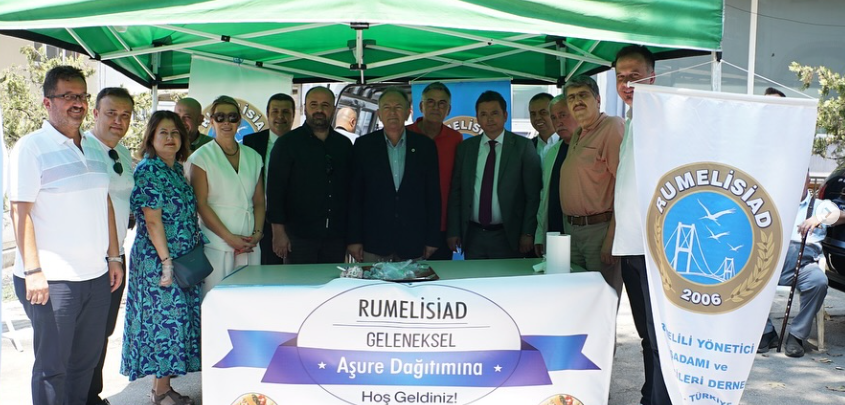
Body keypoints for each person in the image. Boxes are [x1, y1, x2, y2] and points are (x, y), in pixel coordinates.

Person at [9, 65, 123, 405]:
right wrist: (34, 271)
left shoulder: (95, 147)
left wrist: (114, 257)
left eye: (82, 96)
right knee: (52, 368)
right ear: (47, 102)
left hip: (96, 276)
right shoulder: (31, 147)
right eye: (68, 96)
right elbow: (20, 212)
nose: (78, 103)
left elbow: (104, 203)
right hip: (52, 280)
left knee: (85, 364)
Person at [121, 111, 201, 405]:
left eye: (175, 133)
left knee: (173, 323)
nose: (170, 138)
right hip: (159, 261)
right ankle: (160, 392)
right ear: (151, 138)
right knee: (164, 325)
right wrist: (166, 263)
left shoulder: (175, 169)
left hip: (180, 259)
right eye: (163, 133)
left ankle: (162, 389)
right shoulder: (149, 170)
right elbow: (152, 221)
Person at [610, 45, 666, 405]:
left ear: (652, 77)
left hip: (652, 248)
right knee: (646, 333)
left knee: (659, 335)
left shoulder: (661, 120)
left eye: (635, 76)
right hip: (630, 245)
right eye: (620, 77)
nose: (626, 84)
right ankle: (650, 395)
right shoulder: (631, 120)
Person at [82, 87, 136, 405]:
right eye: (111, 113)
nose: (118, 120)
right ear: (95, 113)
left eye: (125, 115)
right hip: (90, 256)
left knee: (102, 331)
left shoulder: (124, 153)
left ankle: (93, 394)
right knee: (84, 334)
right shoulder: (83, 147)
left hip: (117, 255)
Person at [347, 87, 441, 262]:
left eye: (398, 107)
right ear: (379, 114)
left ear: (407, 113)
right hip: (374, 240)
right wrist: (354, 239)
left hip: (413, 240)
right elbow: (355, 196)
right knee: (373, 281)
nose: (392, 112)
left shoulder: (425, 146)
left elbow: (433, 196)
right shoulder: (363, 146)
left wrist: (432, 239)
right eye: (387, 107)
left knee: (413, 281)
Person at [447, 91, 541, 259]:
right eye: (483, 114)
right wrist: (454, 230)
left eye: (494, 113)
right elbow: (456, 192)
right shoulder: (466, 148)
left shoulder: (523, 147)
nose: (489, 119)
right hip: (473, 235)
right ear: (477, 118)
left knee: (507, 277)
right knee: (474, 276)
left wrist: (528, 232)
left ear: (505, 115)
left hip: (509, 235)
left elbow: (533, 195)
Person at [266, 87, 353, 264]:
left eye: (325, 105)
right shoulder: (287, 144)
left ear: (333, 109)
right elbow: (275, 191)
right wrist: (278, 233)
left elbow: (351, 192)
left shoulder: (343, 145)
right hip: (298, 237)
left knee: (333, 281)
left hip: (336, 237)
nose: (319, 110)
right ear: (305, 108)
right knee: (300, 282)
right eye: (314, 105)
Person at [189, 96, 264, 295]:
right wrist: (229, 238)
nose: (226, 122)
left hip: (249, 242)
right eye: (220, 117)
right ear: (211, 121)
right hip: (217, 243)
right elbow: (201, 204)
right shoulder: (200, 157)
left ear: (239, 121)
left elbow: (258, 201)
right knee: (215, 298)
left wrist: (257, 234)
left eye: (232, 117)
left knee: (248, 298)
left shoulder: (254, 156)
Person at [559, 75, 623, 296]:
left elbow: (625, 187)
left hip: (599, 231)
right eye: (571, 97)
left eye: (583, 95)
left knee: (601, 300)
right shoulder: (578, 132)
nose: (577, 101)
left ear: (598, 99)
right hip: (573, 231)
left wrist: (612, 239)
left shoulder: (612, 127)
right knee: (579, 300)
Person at [407, 82, 464, 261]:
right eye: (430, 102)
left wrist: (454, 229)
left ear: (449, 110)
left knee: (440, 276)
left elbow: (457, 186)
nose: (436, 107)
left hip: (442, 226)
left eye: (442, 103)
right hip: (408, 225)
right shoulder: (405, 134)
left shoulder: (455, 138)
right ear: (421, 106)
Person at [243, 93, 295, 265]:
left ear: (293, 115)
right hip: (260, 219)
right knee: (265, 268)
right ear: (267, 114)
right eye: (275, 111)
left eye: (286, 112)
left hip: (294, 221)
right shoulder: (251, 142)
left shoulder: (301, 142)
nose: (280, 116)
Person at [535, 94, 579, 257]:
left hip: (584, 232)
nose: (558, 122)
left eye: (562, 115)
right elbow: (545, 196)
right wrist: (540, 234)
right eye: (553, 117)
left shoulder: (589, 147)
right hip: (554, 232)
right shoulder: (551, 152)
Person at [528, 92, 558, 163]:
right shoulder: (527, 147)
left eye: (543, 113)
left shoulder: (569, 144)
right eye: (533, 114)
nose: (537, 118)